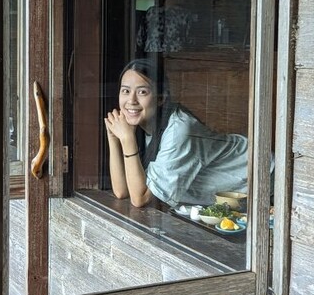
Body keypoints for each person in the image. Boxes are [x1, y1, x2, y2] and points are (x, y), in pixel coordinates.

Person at [104, 58, 250, 208]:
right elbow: (122, 191)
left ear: (161, 98)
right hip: (230, 200)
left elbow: (140, 198)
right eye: (126, 91)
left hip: (258, 178)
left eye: (142, 92)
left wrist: (127, 139)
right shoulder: (141, 126)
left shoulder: (179, 131)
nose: (131, 100)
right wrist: (114, 138)